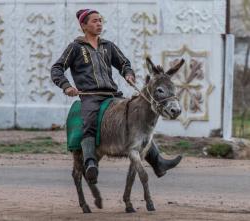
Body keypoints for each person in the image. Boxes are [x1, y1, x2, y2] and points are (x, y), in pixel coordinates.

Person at [51, 9, 181, 184]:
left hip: (113, 95)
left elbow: (124, 63)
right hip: (91, 97)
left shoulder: (108, 46)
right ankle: (90, 163)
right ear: (83, 25)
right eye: (94, 21)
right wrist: (66, 86)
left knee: (139, 119)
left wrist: (128, 73)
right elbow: (57, 69)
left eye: (101, 20)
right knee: (89, 120)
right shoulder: (75, 48)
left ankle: (158, 162)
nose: (99, 24)